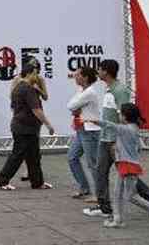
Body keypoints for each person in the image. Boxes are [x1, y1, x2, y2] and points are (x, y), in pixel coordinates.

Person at [84, 59, 149, 218]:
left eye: (99, 69)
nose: (97, 72)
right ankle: (105, 207)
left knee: (126, 174)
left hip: (114, 140)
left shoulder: (120, 90)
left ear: (106, 71)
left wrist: (117, 142)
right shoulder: (109, 89)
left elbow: (126, 117)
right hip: (106, 138)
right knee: (102, 172)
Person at [84, 104, 149, 228]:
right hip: (126, 164)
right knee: (117, 193)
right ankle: (118, 219)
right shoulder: (133, 128)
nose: (119, 115)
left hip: (128, 166)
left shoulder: (126, 129)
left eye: (120, 113)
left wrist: (92, 120)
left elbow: (108, 125)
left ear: (126, 116)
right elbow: (139, 147)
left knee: (131, 196)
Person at [0, 62, 56, 190]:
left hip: (26, 127)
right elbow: (36, 109)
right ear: (29, 73)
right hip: (24, 128)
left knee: (33, 156)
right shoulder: (27, 89)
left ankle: (37, 182)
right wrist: (49, 125)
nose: (37, 75)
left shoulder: (20, 86)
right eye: (35, 73)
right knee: (17, 155)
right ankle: (2, 181)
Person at [66, 67, 103, 201]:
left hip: (90, 131)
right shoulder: (82, 91)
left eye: (77, 75)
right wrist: (77, 108)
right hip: (82, 130)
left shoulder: (89, 92)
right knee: (72, 157)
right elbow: (72, 105)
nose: (75, 77)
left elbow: (70, 106)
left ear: (85, 77)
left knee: (92, 164)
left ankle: (99, 194)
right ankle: (84, 187)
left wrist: (77, 109)